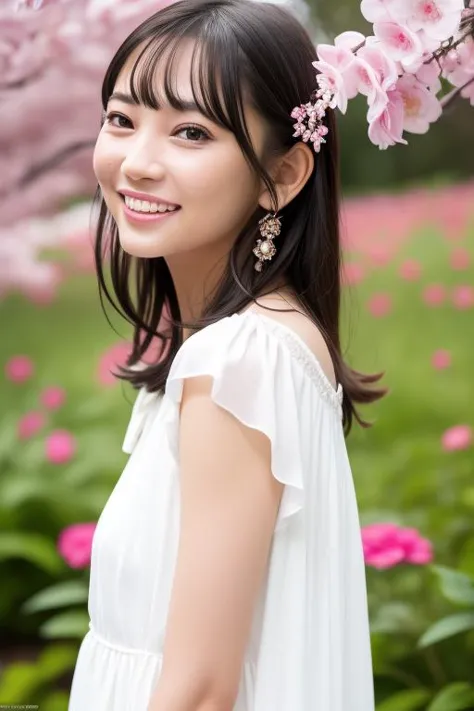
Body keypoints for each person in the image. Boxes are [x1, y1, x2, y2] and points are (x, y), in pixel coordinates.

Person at [68, 0, 386, 708]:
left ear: (283, 174)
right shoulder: (259, 340)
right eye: (122, 119)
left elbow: (200, 691)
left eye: (189, 131)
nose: (137, 162)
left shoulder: (238, 361)